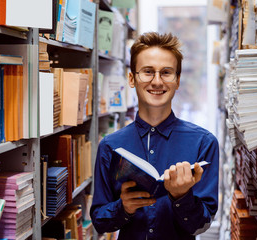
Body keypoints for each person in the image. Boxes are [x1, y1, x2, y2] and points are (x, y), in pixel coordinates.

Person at [90, 32, 219, 240]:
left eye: (166, 72)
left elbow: (201, 225)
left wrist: (181, 196)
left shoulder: (203, 143)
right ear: (132, 78)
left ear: (177, 80)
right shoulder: (110, 146)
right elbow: (99, 221)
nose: (157, 81)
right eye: (148, 72)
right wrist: (123, 208)